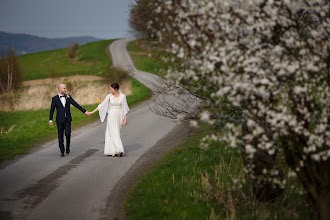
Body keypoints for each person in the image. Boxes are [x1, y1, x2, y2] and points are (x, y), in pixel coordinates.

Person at [49, 84, 90, 157]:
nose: (65, 89)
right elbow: (52, 110)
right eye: (64, 88)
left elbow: (76, 105)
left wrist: (84, 111)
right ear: (59, 89)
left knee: (68, 134)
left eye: (65, 88)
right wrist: (50, 119)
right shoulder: (54, 98)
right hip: (59, 120)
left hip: (67, 119)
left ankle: (68, 146)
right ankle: (62, 151)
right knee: (60, 136)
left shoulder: (68, 97)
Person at [89, 83, 129, 157]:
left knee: (117, 132)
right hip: (111, 116)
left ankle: (112, 150)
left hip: (120, 116)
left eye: (111, 89)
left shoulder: (123, 97)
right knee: (113, 132)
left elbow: (125, 108)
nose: (110, 90)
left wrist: (125, 119)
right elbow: (101, 105)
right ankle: (119, 150)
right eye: (110, 89)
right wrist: (92, 112)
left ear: (116, 89)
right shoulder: (109, 96)